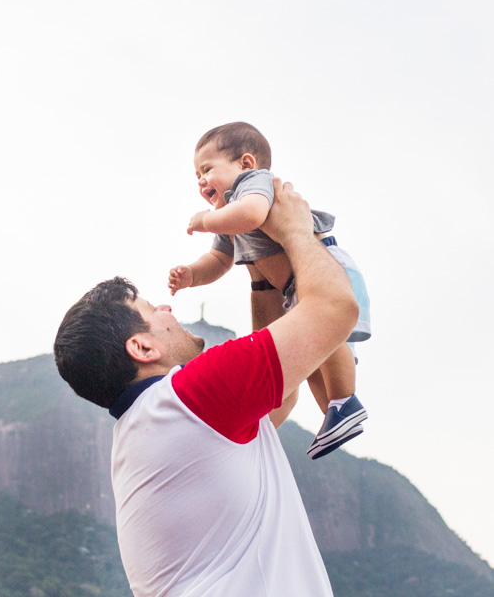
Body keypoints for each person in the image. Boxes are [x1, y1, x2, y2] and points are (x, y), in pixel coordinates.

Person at [54, 180, 356, 596]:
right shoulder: (190, 396)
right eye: (150, 310)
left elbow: (282, 393)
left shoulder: (154, 425)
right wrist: (297, 232)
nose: (165, 307)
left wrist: (260, 271)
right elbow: (337, 309)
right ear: (141, 347)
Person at [167, 122, 370, 458]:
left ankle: (346, 400)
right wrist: (191, 275)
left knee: (328, 338)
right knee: (313, 360)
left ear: (245, 164)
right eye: (196, 176)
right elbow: (219, 259)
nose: (201, 181)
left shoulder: (253, 186)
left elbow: (252, 214)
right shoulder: (226, 214)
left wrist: (204, 220)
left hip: (325, 272)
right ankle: (334, 414)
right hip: (293, 289)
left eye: (207, 169)